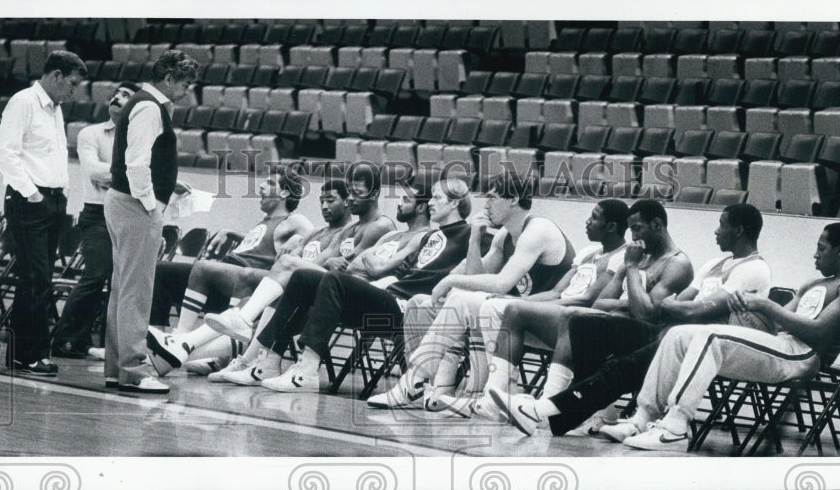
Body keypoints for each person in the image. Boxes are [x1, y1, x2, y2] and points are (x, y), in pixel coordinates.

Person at [489, 204, 772, 437]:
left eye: (722, 224)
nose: (716, 229)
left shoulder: (750, 269)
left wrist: (637, 273)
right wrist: (661, 303)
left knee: (616, 356)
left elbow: (680, 311)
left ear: (738, 230)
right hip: (667, 328)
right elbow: (647, 304)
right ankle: (589, 412)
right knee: (583, 322)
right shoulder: (713, 265)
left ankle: (551, 409)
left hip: (685, 338)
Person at [600, 223, 840, 452]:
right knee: (679, 334)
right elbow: (775, 324)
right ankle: (643, 417)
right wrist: (746, 307)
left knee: (710, 336)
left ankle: (674, 427)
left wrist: (765, 305)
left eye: (821, 248)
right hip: (782, 346)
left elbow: (818, 334)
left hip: (805, 356)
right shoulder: (814, 283)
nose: (815, 255)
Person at [150, 176, 430, 380]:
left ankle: (191, 345)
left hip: (359, 293)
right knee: (275, 287)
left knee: (282, 273)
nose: (350, 199)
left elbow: (369, 268)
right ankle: (187, 350)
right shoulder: (377, 232)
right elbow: (357, 260)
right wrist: (362, 261)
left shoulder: (384, 226)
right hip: (335, 283)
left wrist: (368, 262)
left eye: (355, 194)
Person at [235, 178, 475, 391]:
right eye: (430, 196)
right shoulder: (429, 236)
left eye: (437, 197)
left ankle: (307, 370)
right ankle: (268, 360)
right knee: (302, 277)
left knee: (333, 280)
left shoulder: (472, 233)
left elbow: (483, 267)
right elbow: (388, 267)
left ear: (454, 203)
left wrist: (456, 277)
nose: (431, 202)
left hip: (404, 309)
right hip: (388, 293)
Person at [366, 171, 575, 409]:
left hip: (549, 321)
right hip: (514, 317)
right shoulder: (506, 234)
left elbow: (501, 283)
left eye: (493, 198)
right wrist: (475, 239)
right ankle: (424, 383)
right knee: (460, 299)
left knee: (462, 295)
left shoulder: (538, 229)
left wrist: (449, 281)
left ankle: (429, 383)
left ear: (514, 199)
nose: (486, 205)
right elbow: (477, 276)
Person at [430, 199, 631, 417]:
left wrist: (524, 306)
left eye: (594, 217)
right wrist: (519, 301)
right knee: (491, 306)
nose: (587, 221)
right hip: (556, 310)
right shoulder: (587, 253)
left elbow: (586, 300)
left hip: (576, 320)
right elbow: (556, 291)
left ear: (611, 226)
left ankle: (499, 396)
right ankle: (497, 395)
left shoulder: (622, 256)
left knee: (507, 308)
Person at [104, 50, 199, 393]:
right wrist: (151, 205)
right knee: (137, 290)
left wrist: (167, 184)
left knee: (123, 288)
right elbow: (136, 163)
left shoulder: (145, 104)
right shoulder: (148, 107)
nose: (188, 91)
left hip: (124, 202)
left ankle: (117, 368)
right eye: (185, 84)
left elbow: (140, 161)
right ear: (169, 78)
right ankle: (134, 369)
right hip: (135, 205)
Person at [0, 50, 88, 375]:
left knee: (37, 279)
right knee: (36, 278)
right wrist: (32, 194)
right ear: (57, 75)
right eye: (72, 83)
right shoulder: (24, 102)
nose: (74, 91)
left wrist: (59, 195)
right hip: (30, 200)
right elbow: (4, 152)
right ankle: (31, 354)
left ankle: (21, 354)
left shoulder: (55, 109)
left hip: (51, 200)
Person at [147, 173, 314, 334]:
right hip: (218, 278)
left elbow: (315, 236)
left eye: (270, 183)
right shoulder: (267, 220)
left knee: (198, 267)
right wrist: (230, 232)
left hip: (240, 285)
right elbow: (256, 243)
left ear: (284, 192)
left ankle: (180, 335)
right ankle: (157, 336)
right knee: (160, 272)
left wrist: (299, 241)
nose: (261, 186)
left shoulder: (294, 220)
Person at [50, 81, 139, 359]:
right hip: (97, 214)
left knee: (120, 281)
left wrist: (121, 176)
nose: (117, 97)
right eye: (116, 93)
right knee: (96, 275)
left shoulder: (141, 139)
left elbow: (141, 175)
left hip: (129, 214)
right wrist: (131, 175)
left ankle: (95, 343)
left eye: (126, 95)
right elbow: (94, 172)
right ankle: (64, 340)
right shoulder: (91, 133)